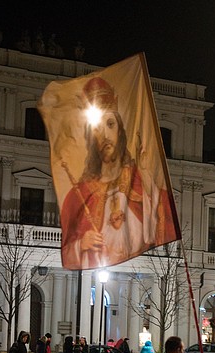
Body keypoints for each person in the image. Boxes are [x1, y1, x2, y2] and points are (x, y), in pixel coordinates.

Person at [60, 76, 176, 270]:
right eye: (97, 129)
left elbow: (162, 221)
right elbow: (66, 249)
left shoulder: (139, 180)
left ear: (120, 131)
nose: (105, 135)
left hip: (140, 270)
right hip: (97, 270)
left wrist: (147, 174)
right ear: (91, 139)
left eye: (110, 124)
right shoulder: (79, 194)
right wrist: (81, 243)